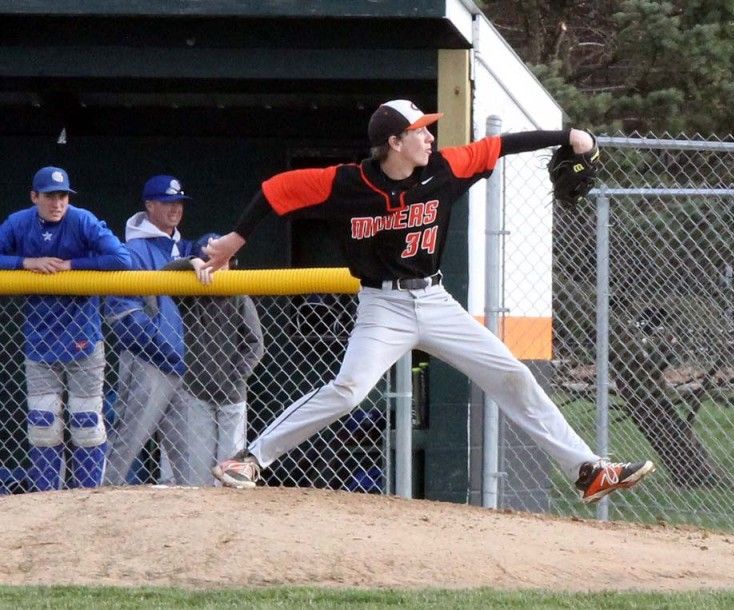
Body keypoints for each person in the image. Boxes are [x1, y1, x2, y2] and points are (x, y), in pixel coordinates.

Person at [205, 99, 654, 503]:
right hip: (382, 308)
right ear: (394, 142)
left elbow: (501, 145)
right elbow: (275, 191)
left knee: (512, 374)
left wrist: (568, 136)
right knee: (348, 391)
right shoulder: (346, 183)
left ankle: (588, 471)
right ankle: (249, 459)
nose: (429, 136)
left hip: (436, 301)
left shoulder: (445, 168)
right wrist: (233, 241)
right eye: (419, 130)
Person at [0, 166, 132, 490]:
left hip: (82, 336)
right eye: (49, 196)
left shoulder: (81, 220)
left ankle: (87, 499)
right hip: (40, 337)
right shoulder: (19, 223)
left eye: (62, 196)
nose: (57, 202)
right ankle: (47, 501)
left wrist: (74, 266)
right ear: (35, 197)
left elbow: (122, 259)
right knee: (43, 424)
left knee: (86, 421)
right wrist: (23, 263)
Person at [104, 175, 198, 485]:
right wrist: (160, 346)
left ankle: (195, 517)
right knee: (126, 443)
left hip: (178, 363)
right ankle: (96, 505)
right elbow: (120, 315)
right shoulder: (132, 250)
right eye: (167, 202)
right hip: (148, 363)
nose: (175, 209)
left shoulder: (178, 248)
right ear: (149, 205)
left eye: (178, 203)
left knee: (186, 451)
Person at [162, 233, 265, 485]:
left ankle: (229, 521)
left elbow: (255, 345)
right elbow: (164, 274)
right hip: (198, 392)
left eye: (223, 261)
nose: (217, 267)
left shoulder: (239, 296)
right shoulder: (190, 296)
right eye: (209, 261)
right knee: (199, 471)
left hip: (231, 395)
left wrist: (235, 376)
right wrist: (190, 263)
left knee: (230, 472)